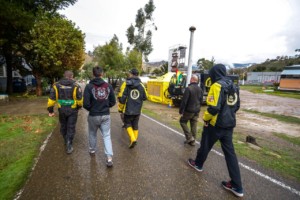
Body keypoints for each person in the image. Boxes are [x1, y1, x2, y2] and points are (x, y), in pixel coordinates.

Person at [187, 64, 243, 197]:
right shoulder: (234, 86)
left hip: (215, 124)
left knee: (205, 145)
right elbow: (237, 105)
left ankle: (198, 164)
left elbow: (213, 108)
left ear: (214, 74)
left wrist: (206, 118)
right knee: (230, 154)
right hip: (229, 124)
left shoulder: (216, 86)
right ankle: (237, 186)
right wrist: (228, 114)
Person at [83, 66, 116, 167]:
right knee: (106, 135)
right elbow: (113, 102)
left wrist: (93, 109)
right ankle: (109, 158)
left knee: (92, 133)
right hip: (106, 115)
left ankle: (92, 150)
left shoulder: (89, 87)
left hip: (93, 115)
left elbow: (86, 104)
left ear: (93, 74)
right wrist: (106, 107)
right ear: (102, 74)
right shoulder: (108, 86)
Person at [47, 70, 83, 154]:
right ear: (72, 76)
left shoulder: (56, 85)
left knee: (63, 125)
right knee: (71, 126)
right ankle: (69, 143)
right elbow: (79, 99)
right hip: (72, 110)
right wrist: (79, 107)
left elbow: (51, 99)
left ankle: (65, 139)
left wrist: (50, 110)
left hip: (62, 109)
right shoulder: (76, 86)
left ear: (64, 75)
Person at [119, 68, 148, 148]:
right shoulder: (141, 85)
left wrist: (120, 107)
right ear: (137, 75)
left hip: (128, 109)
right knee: (135, 125)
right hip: (138, 109)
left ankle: (133, 139)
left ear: (131, 74)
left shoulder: (127, 84)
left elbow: (123, 98)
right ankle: (134, 139)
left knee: (127, 123)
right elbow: (145, 97)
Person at [179, 74, 203, 146]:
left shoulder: (188, 88)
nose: (189, 80)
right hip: (196, 110)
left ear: (192, 80)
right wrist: (198, 108)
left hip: (189, 110)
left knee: (182, 121)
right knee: (194, 125)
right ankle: (193, 141)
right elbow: (201, 100)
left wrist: (181, 110)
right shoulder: (200, 89)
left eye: (190, 79)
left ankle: (189, 138)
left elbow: (184, 101)